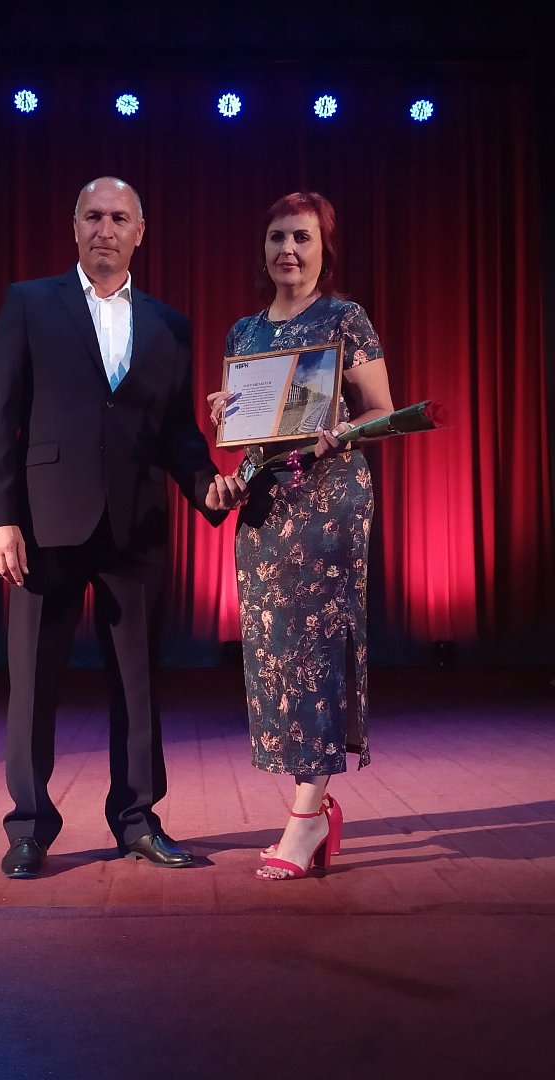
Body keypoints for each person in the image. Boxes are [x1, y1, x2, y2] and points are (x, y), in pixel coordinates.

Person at [0, 176, 246, 878]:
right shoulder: (29, 302)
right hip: (44, 525)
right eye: (93, 216)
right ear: (74, 227)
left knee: (139, 684)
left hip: (137, 527)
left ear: (139, 232)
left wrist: (206, 487)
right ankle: (29, 826)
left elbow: (176, 431)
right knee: (33, 684)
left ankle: (137, 820)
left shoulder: (169, 325)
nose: (105, 228)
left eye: (119, 218)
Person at [209, 191, 394, 881]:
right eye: (278, 237)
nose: (288, 249)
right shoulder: (243, 334)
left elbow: (380, 411)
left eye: (303, 238)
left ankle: (307, 814)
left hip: (328, 502)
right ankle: (313, 807)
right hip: (266, 507)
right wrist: (228, 442)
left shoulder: (345, 319)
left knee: (316, 650)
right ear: (263, 248)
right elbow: (252, 440)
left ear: (323, 249)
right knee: (275, 655)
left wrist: (340, 431)